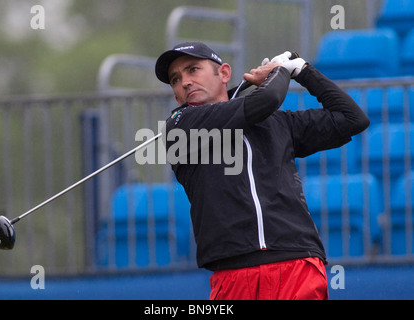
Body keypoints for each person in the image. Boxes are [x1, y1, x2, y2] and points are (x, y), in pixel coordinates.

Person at [154, 42, 369, 300]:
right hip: (233, 273)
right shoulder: (179, 127)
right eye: (176, 79)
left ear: (223, 73)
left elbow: (352, 118)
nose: (185, 82)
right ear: (176, 96)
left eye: (193, 70)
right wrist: (279, 71)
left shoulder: (277, 123)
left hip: (296, 263)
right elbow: (267, 98)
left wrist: (301, 70)